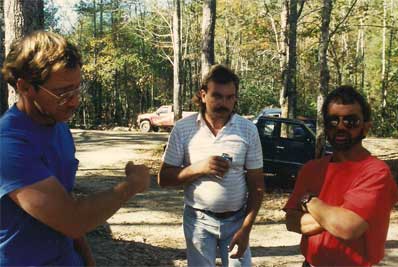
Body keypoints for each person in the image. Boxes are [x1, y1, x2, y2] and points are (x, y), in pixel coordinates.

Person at [0, 31, 150, 266]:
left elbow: (64, 200)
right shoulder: (9, 144)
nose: (74, 101)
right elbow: (73, 219)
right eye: (62, 92)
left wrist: (88, 260)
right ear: (25, 87)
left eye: (77, 89)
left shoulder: (58, 126)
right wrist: (130, 185)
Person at [158, 64, 264, 267]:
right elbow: (164, 179)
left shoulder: (247, 130)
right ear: (203, 94)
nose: (223, 103)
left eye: (229, 97)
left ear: (235, 98)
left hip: (236, 220)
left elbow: (257, 185)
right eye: (217, 96)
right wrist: (199, 168)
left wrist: (246, 229)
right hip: (198, 220)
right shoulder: (183, 129)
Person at [284, 85, 398, 266]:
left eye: (350, 121)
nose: (340, 127)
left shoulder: (376, 172)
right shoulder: (311, 169)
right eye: (333, 121)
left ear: (366, 127)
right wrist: (336, 215)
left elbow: (348, 228)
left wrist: (309, 201)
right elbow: (292, 222)